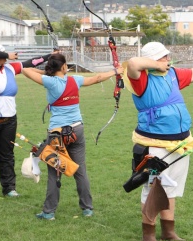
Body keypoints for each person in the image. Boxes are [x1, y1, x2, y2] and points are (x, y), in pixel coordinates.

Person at [125, 41, 193, 241]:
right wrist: (155, 65)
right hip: (153, 141)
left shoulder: (172, 74)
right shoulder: (140, 79)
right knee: (152, 187)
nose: (168, 59)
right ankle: (148, 234)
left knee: (171, 187)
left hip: (180, 142)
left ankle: (169, 230)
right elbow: (133, 63)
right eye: (163, 57)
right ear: (152, 61)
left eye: (167, 56)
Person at [22, 53, 122, 220]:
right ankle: (87, 209)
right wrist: (115, 71)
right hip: (77, 129)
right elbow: (97, 78)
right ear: (63, 67)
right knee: (80, 169)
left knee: (55, 171)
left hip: (57, 132)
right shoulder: (74, 80)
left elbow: (25, 69)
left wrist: (47, 71)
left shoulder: (49, 81)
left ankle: (49, 212)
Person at [0, 42, 53, 203]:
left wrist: (49, 56)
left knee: (7, 154)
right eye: (1, 56)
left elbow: (31, 62)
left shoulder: (9, 68)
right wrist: (7, 55)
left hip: (9, 119)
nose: (4, 59)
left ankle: (9, 188)